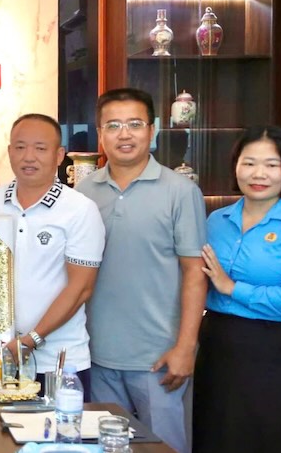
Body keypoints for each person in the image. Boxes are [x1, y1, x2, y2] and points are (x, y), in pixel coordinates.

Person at [75, 88, 207, 453]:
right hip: (97, 354)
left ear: (153, 130)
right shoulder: (83, 192)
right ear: (100, 134)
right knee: (101, 447)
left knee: (164, 448)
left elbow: (195, 272)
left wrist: (185, 346)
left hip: (159, 358)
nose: (124, 134)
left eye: (134, 124)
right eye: (113, 125)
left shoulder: (180, 191)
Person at [193, 125, 281, 453]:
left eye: (271, 165)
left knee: (266, 439)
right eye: (249, 162)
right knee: (213, 436)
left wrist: (233, 288)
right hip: (217, 343)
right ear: (235, 166)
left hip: (273, 350)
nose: (259, 173)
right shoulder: (215, 221)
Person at [0, 114, 105, 398]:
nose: (29, 157)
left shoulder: (80, 209)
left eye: (40, 148)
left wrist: (31, 339)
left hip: (59, 362)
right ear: (10, 152)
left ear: (59, 155)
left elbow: (80, 287)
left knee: (56, 439)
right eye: (20, 147)